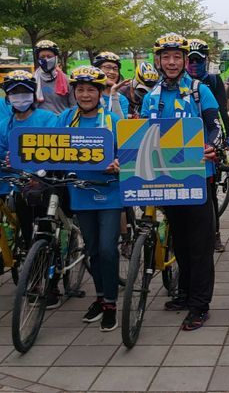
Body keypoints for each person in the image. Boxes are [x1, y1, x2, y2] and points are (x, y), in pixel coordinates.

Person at [141, 33, 220, 331]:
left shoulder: (200, 91)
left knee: (200, 246)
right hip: (166, 179)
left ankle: (200, 305)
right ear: (158, 60)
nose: (171, 62)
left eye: (177, 57)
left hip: (199, 177)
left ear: (185, 60)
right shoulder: (152, 95)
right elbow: (143, 136)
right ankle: (185, 293)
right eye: (166, 57)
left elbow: (216, 128)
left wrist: (212, 146)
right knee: (181, 243)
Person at [57, 66, 122, 331]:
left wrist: (118, 162)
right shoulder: (65, 118)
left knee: (107, 249)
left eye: (91, 90)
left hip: (110, 191)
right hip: (81, 192)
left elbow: (129, 152)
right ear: (74, 92)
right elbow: (46, 146)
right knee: (92, 249)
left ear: (99, 93)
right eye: (80, 90)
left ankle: (112, 303)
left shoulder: (111, 120)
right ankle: (100, 297)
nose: (85, 95)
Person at [0, 71, 60, 304]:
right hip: (20, 186)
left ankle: (53, 284)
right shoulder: (5, 124)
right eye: (14, 92)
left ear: (33, 94)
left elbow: (58, 150)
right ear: (8, 96)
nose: (20, 97)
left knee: (50, 233)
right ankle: (35, 277)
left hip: (48, 184)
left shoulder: (48, 119)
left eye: (24, 91)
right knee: (28, 235)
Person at [186, 39, 229, 252]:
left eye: (198, 60)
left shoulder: (213, 81)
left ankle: (215, 235)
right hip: (180, 145)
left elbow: (222, 112)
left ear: (206, 61)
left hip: (208, 143)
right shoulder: (178, 82)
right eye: (190, 60)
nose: (194, 64)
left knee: (210, 193)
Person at [32, 40, 76, 114]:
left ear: (56, 58)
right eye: (42, 57)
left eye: (49, 56)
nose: (46, 59)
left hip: (60, 122)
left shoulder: (67, 80)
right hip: (39, 123)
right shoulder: (32, 80)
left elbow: (73, 106)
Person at [92, 52, 130, 119]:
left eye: (115, 69)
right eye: (107, 67)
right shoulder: (89, 95)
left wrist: (114, 95)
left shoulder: (122, 99)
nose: (112, 72)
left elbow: (120, 125)